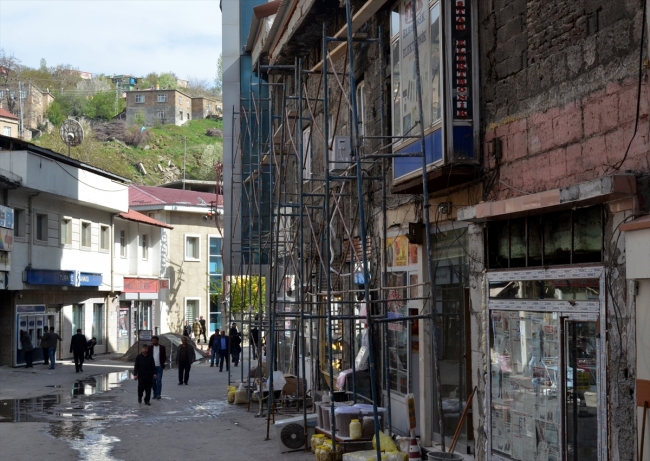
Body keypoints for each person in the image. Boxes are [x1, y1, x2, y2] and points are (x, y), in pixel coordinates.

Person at [150, 335, 167, 400]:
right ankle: (155, 394)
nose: (153, 342)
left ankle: (158, 394)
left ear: (157, 341)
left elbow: (164, 356)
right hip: (152, 368)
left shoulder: (162, 347)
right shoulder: (150, 348)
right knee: (153, 382)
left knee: (159, 380)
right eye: (152, 340)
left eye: (154, 340)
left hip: (159, 367)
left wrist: (162, 363)